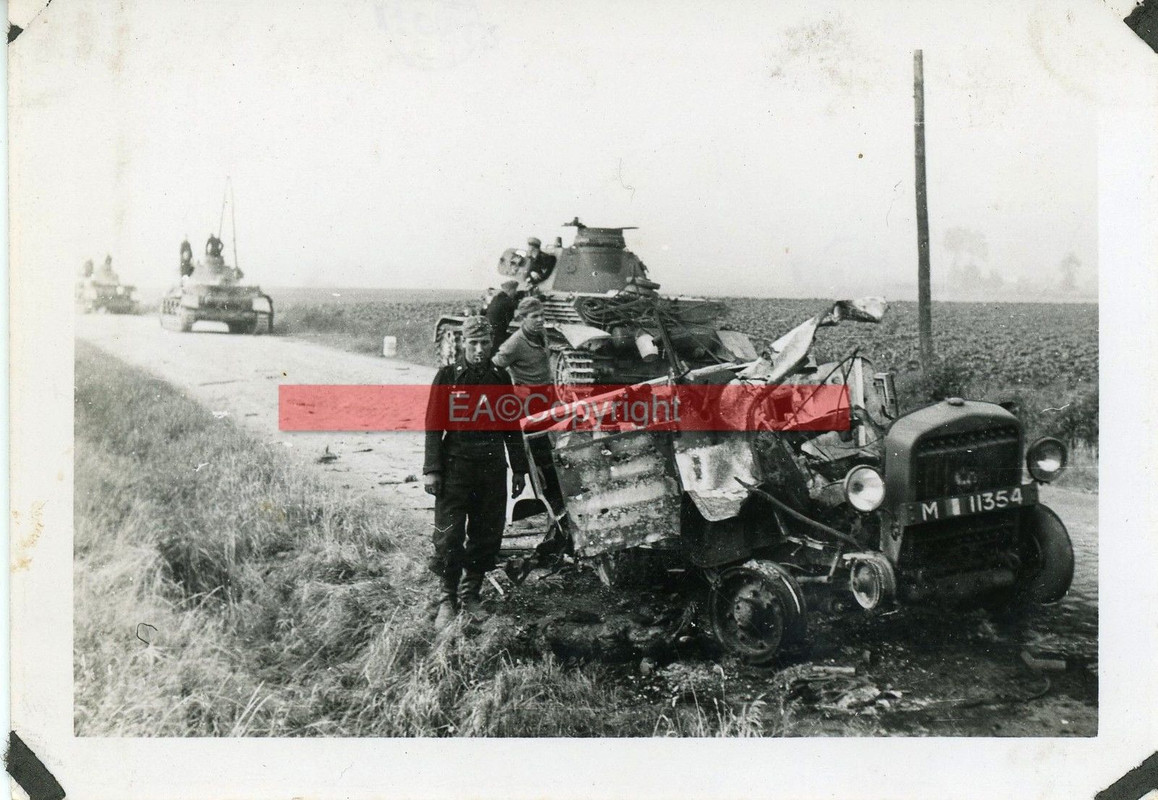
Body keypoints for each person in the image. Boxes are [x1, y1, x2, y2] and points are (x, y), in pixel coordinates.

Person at [423, 316, 528, 630]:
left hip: (492, 468)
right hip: (456, 466)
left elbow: (511, 427)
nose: (480, 350)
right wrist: (432, 470)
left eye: (485, 343)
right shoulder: (447, 377)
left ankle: (471, 594)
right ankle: (447, 597)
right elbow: (433, 426)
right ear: (462, 344)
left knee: (486, 534)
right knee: (450, 535)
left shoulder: (500, 378)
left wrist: (519, 469)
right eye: (474, 343)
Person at [492, 296, 552, 386]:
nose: (540, 319)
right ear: (523, 318)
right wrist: (511, 388)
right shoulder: (515, 342)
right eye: (534, 316)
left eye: (542, 314)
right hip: (528, 395)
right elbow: (494, 367)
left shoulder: (542, 331)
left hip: (546, 389)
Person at [486, 280, 519, 349]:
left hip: (491, 332)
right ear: (510, 290)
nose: (516, 293)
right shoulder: (506, 301)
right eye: (515, 290)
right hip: (498, 335)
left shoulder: (496, 298)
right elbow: (520, 305)